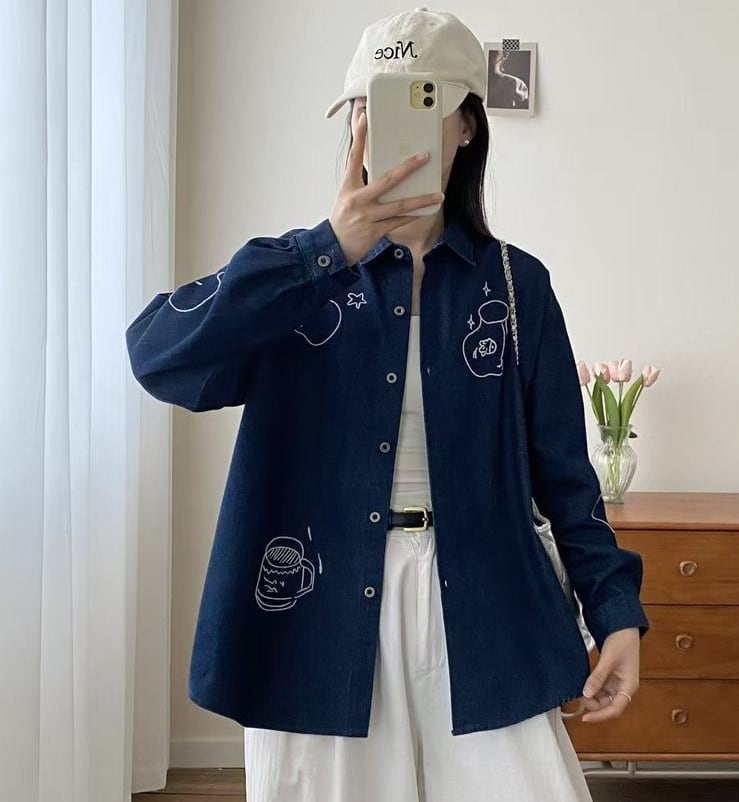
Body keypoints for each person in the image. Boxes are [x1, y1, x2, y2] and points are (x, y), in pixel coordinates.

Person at [126, 7, 649, 802]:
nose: (385, 127)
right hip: (317, 618)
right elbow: (158, 356)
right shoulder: (294, 281)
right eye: (368, 105)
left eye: (419, 100)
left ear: (466, 124)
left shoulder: (517, 286)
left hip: (485, 607)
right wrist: (321, 251)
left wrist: (615, 612)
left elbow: (567, 481)